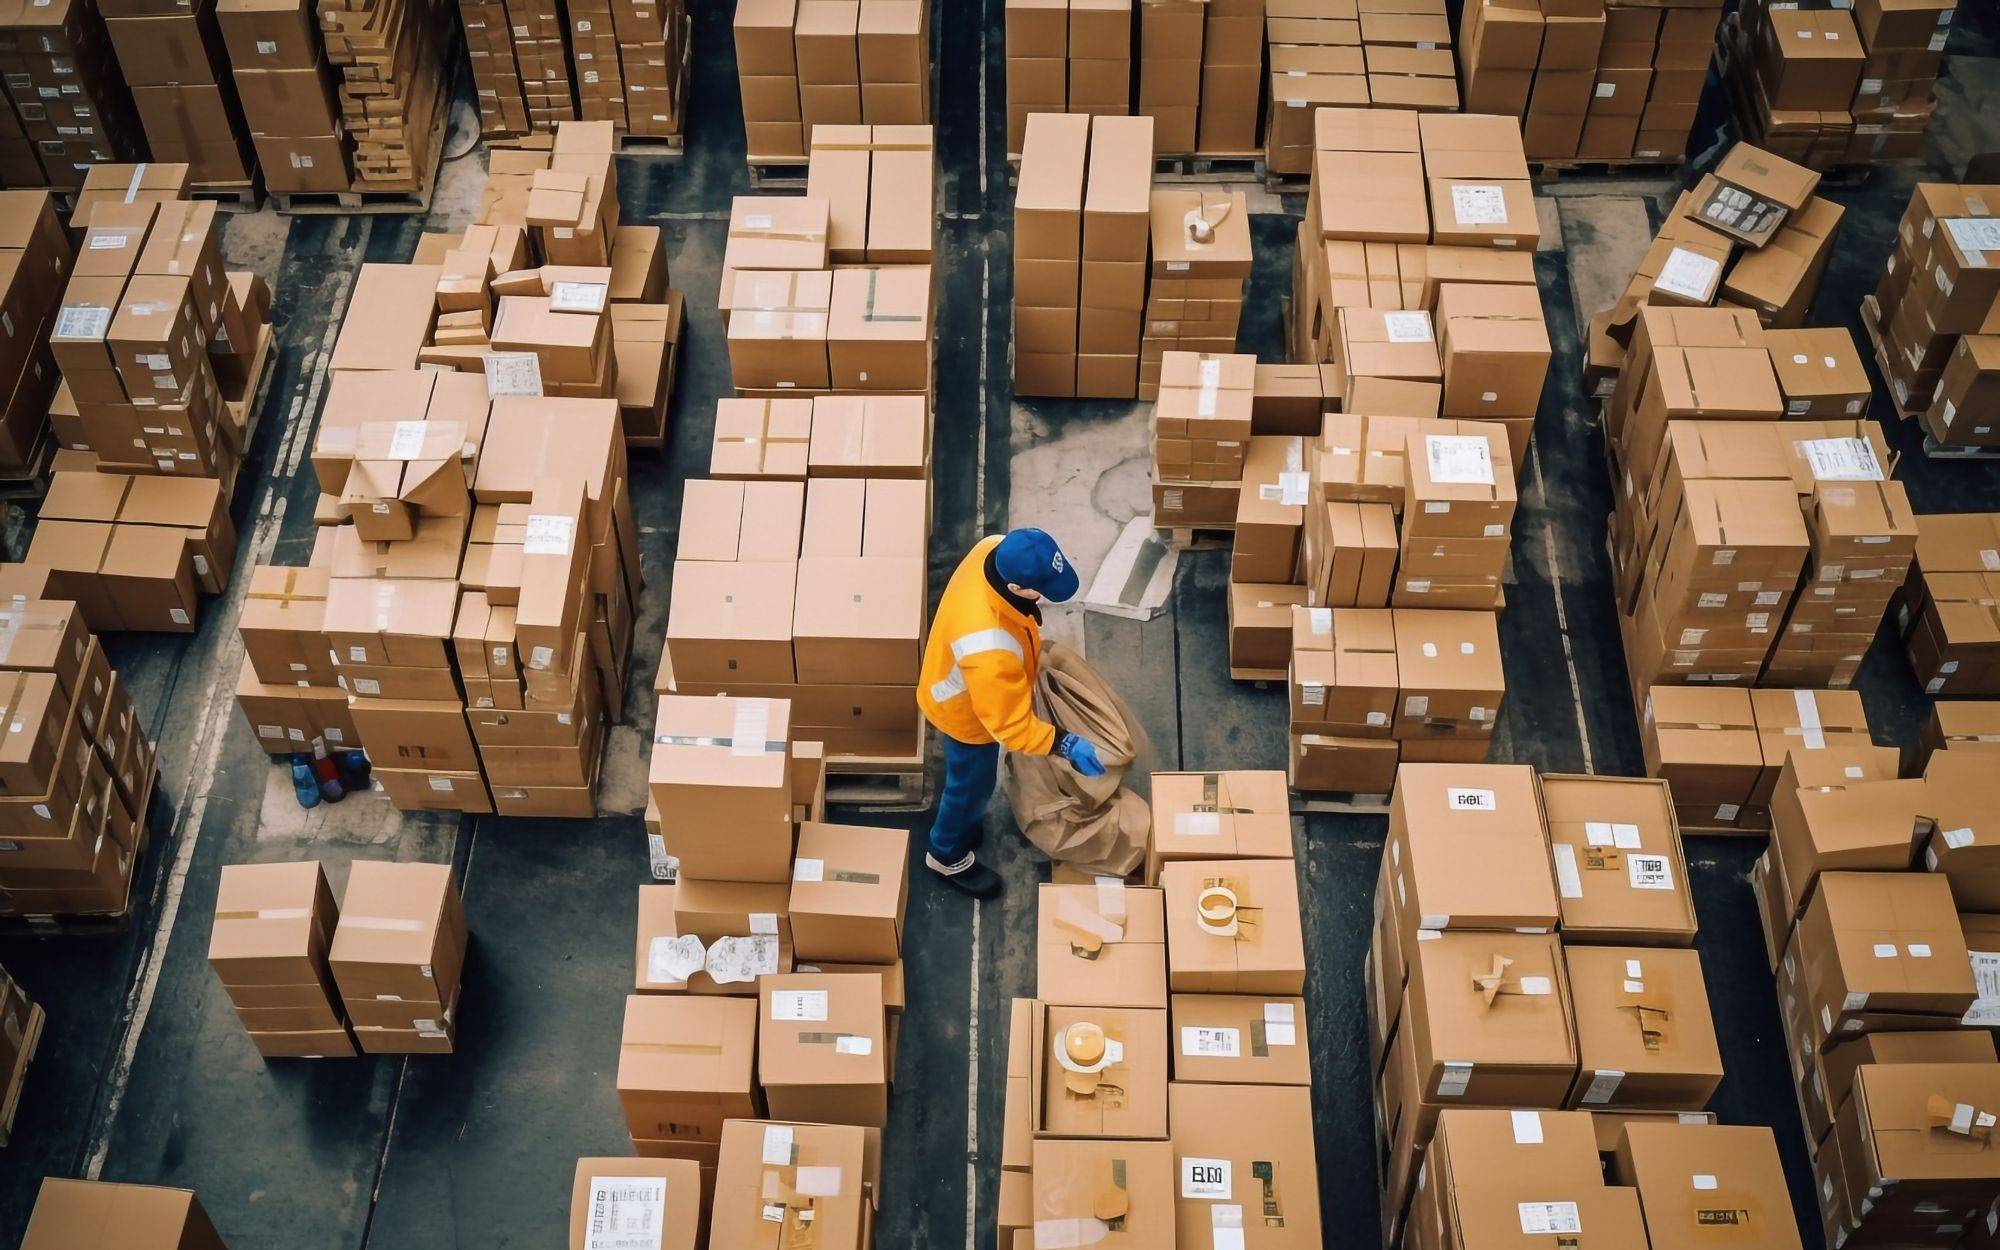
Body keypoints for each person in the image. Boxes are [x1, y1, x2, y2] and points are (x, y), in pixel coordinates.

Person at [916, 528, 1108, 898]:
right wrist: (1064, 744)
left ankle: (962, 830)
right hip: (965, 715)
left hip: (955, 675)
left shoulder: (992, 547)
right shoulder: (990, 648)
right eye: (1041, 590)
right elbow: (1011, 728)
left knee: (972, 786)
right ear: (1017, 589)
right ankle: (946, 854)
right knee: (970, 787)